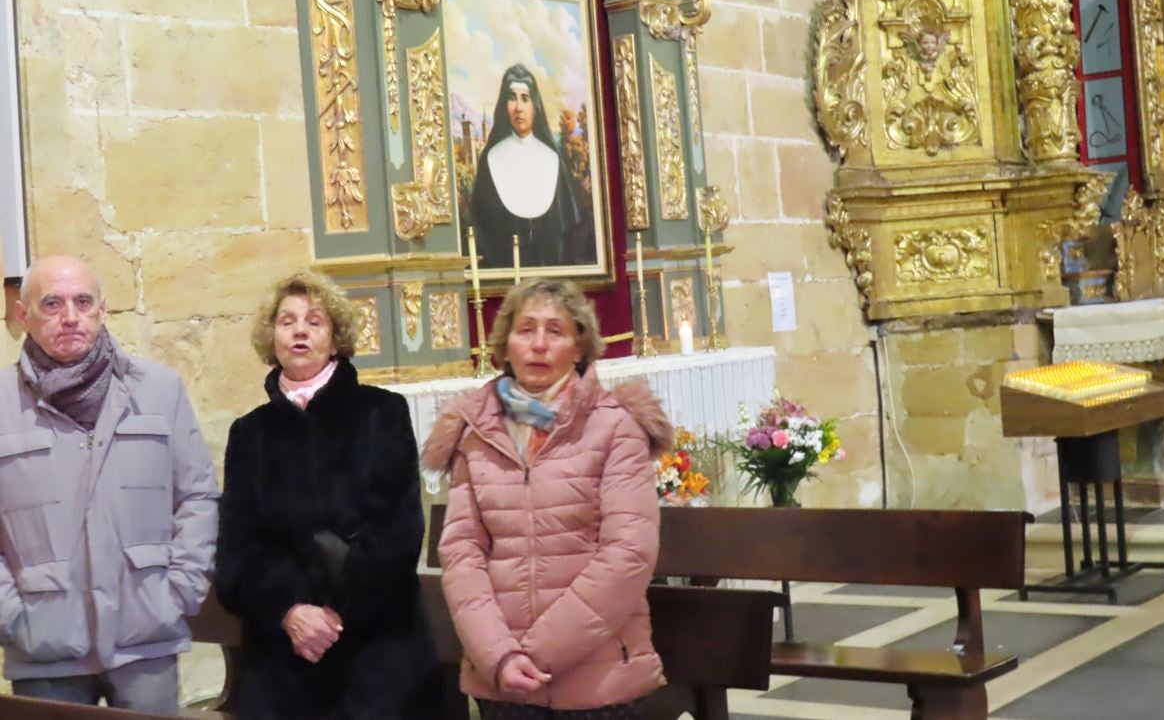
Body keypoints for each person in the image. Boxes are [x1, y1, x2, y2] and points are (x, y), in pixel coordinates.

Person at [423, 278, 671, 718]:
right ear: (504, 346)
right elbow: (461, 552)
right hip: (504, 680)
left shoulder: (615, 427)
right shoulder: (476, 433)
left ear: (579, 347)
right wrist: (499, 655)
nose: (538, 344)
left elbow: (629, 553)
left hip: (597, 678)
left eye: (555, 331)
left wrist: (536, 654)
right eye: (526, 330)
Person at [214, 270, 437, 720]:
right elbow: (239, 551)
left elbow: (399, 531)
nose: (299, 330)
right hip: (284, 651)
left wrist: (336, 614)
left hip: (377, 643)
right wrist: (290, 610)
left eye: (314, 321)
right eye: (287, 321)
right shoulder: (249, 433)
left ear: (335, 340)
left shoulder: (381, 413)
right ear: (271, 337)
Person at [0, 255, 218, 713]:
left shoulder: (159, 390)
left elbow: (197, 496)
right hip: (43, 646)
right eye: (52, 304)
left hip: (147, 638)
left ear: (103, 309)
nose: (70, 317)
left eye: (83, 302)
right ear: (23, 315)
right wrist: (12, 617)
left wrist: (178, 593)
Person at [469, 64, 595, 269]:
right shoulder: (491, 158)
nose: (518, 107)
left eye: (525, 98)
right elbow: (482, 231)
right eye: (512, 98)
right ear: (504, 105)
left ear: (535, 105)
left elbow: (569, 229)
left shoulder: (552, 158)